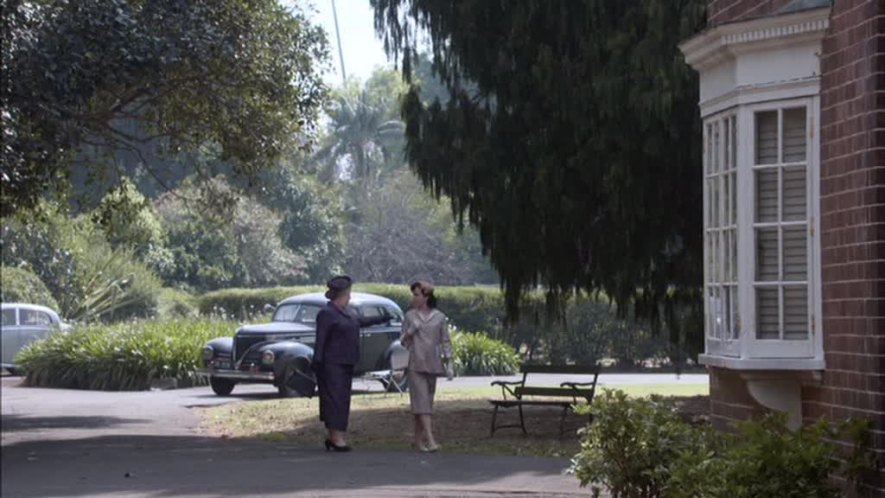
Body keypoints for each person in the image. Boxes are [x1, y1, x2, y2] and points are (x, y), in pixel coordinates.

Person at [313, 276, 391, 452]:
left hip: (347, 362)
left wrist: (381, 318)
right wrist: (317, 363)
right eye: (347, 294)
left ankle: (335, 435)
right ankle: (336, 437)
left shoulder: (347, 312)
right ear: (340, 295)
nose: (349, 298)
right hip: (331, 363)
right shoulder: (327, 313)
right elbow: (321, 339)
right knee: (334, 400)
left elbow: (360, 322)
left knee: (343, 399)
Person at [400, 281, 453, 452]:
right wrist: (410, 332)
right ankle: (430, 439)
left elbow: (445, 340)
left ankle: (418, 441)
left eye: (417, 294)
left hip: (433, 363)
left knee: (425, 405)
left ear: (426, 296)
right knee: (422, 402)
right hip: (415, 364)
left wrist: (449, 362)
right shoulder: (409, 316)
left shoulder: (439, 317)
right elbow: (402, 342)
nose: (414, 298)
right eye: (413, 294)